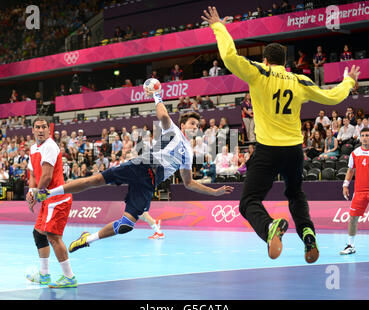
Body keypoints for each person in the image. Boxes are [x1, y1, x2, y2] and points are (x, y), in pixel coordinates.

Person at [201, 6, 360, 263]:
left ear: (265, 60)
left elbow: (229, 57)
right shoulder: (299, 81)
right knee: (296, 194)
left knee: (249, 201)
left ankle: (269, 227)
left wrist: (218, 26)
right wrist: (349, 82)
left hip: (267, 149)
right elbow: (332, 97)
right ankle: (308, 234)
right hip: (294, 151)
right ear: (286, 63)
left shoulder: (258, 72)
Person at [31, 83, 233, 254]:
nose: (195, 127)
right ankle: (48, 193)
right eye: (191, 123)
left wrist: (214, 192)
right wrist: (156, 95)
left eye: (197, 125)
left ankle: (87, 239)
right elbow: (163, 116)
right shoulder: (174, 130)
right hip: (142, 166)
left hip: (151, 181)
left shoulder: (188, 152)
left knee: (126, 225)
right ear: (182, 123)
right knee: (94, 181)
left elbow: (188, 183)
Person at [25, 116, 76, 288]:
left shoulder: (50, 146)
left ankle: (69, 277)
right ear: (32, 130)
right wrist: (32, 193)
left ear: (48, 130)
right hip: (47, 198)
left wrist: (37, 194)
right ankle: (44, 275)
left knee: (53, 237)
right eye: (37, 127)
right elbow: (33, 174)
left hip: (57, 198)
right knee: (39, 234)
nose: (40, 130)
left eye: (44, 127)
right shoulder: (33, 149)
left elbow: (46, 176)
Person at [341, 128, 369, 255]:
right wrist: (345, 185)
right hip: (359, 192)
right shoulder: (355, 153)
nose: (364, 138)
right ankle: (351, 245)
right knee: (353, 218)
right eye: (362, 135)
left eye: (367, 135)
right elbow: (350, 170)